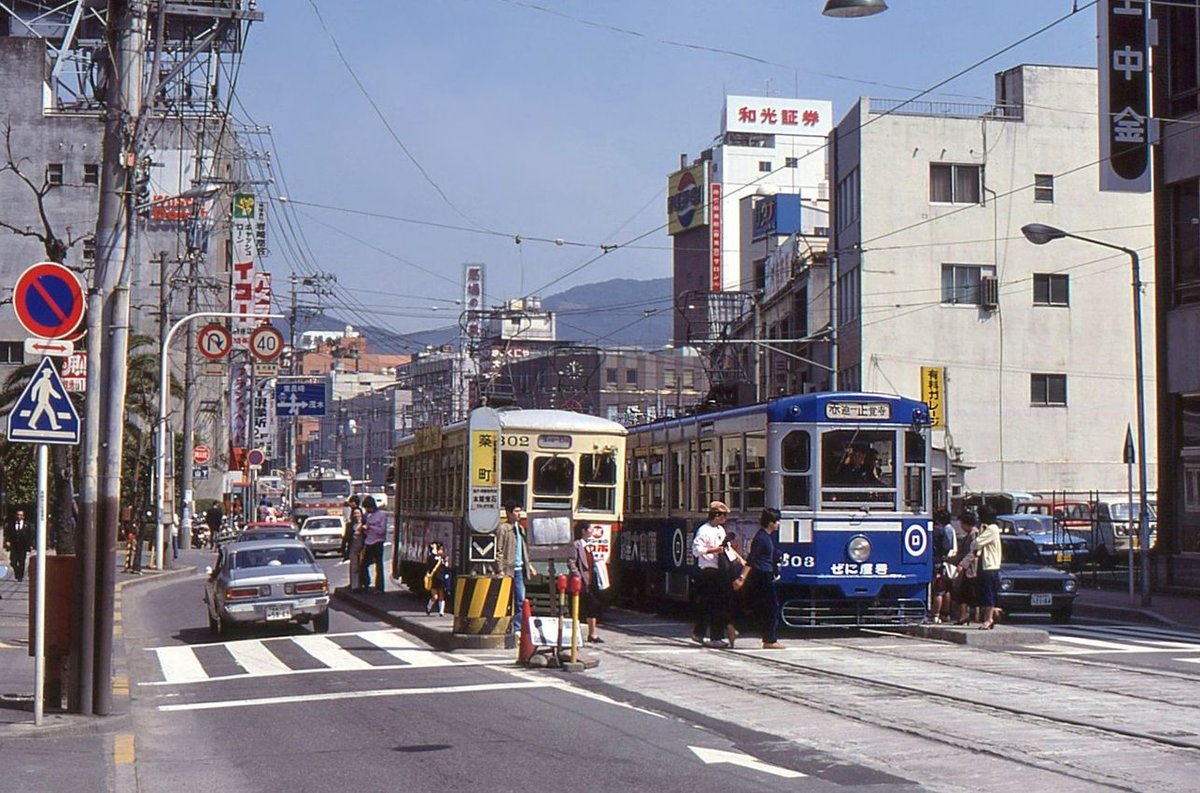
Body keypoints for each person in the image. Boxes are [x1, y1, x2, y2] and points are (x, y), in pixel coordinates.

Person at [742, 507, 784, 649]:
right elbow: (752, 558)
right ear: (770, 523)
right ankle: (769, 640)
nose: (778, 524)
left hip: (764, 573)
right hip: (762, 574)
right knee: (772, 607)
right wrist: (742, 577)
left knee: (758, 606)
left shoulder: (766, 537)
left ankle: (736, 627)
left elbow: (765, 555)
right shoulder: (761, 537)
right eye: (777, 521)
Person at [691, 500, 731, 647]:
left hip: (719, 569)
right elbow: (696, 550)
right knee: (716, 604)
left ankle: (698, 633)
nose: (725, 519)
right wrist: (713, 550)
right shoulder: (704, 530)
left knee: (708, 604)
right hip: (708, 571)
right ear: (716, 515)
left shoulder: (720, 530)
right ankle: (716, 638)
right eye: (723, 516)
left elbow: (726, 548)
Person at [496, 503, 537, 621]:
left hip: (519, 569)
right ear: (508, 513)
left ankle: (517, 627)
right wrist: (500, 569)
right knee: (505, 600)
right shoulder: (503, 528)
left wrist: (529, 565)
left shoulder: (520, 528)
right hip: (507, 570)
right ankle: (506, 625)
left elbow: (523, 549)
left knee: (520, 599)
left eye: (520, 511)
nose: (519, 514)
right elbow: (498, 550)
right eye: (516, 511)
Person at [568, 521, 605, 644]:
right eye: (590, 529)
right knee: (582, 606)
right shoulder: (576, 545)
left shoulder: (587, 545)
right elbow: (571, 562)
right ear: (584, 531)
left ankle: (592, 634)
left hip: (589, 581)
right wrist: (577, 576)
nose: (592, 531)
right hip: (580, 582)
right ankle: (579, 635)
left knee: (592, 606)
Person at [972, 506, 1003, 630]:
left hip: (990, 565)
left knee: (988, 593)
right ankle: (989, 617)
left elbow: (976, 543)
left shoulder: (992, 529)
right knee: (985, 592)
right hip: (987, 564)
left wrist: (978, 533)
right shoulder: (989, 528)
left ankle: (989, 619)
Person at [952, 510, 981, 625]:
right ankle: (964, 615)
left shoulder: (975, 535)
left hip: (972, 569)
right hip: (967, 569)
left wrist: (962, 564)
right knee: (963, 593)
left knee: (968, 593)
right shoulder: (967, 535)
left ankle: (969, 615)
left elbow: (972, 552)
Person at [930, 508, 957, 624]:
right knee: (945, 589)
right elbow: (947, 547)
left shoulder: (935, 530)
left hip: (935, 561)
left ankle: (936, 614)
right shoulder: (946, 530)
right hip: (943, 562)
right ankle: (945, 613)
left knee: (937, 589)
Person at [360, 495, 387, 593]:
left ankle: (379, 587)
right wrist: (365, 529)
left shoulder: (382, 515)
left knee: (379, 566)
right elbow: (367, 530)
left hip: (378, 542)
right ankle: (366, 583)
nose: (367, 510)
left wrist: (371, 527)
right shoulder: (368, 516)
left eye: (368, 507)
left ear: (372, 506)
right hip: (369, 542)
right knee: (363, 565)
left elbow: (382, 530)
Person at [343, 496, 365, 590]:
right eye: (355, 515)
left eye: (358, 514)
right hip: (353, 547)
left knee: (361, 567)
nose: (356, 516)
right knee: (354, 567)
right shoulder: (350, 525)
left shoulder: (364, 525)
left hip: (362, 548)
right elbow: (346, 537)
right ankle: (354, 585)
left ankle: (362, 584)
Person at [424, 541, 451, 616]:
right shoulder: (432, 558)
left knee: (442, 595)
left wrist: (446, 563)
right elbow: (430, 565)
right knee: (435, 597)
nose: (441, 551)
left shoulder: (442, 559)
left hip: (441, 578)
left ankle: (441, 611)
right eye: (440, 549)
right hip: (434, 578)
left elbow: (445, 569)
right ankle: (428, 607)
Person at [4, 510, 30, 582]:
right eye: (18, 515)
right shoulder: (11, 524)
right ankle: (17, 572)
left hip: (23, 546)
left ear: (23, 516)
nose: (19, 516)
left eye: (21, 515)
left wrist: (30, 545)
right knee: (13, 561)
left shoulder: (27, 525)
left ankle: (20, 576)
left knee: (22, 562)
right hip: (14, 546)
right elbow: (7, 533)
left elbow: (30, 535)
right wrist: (7, 541)